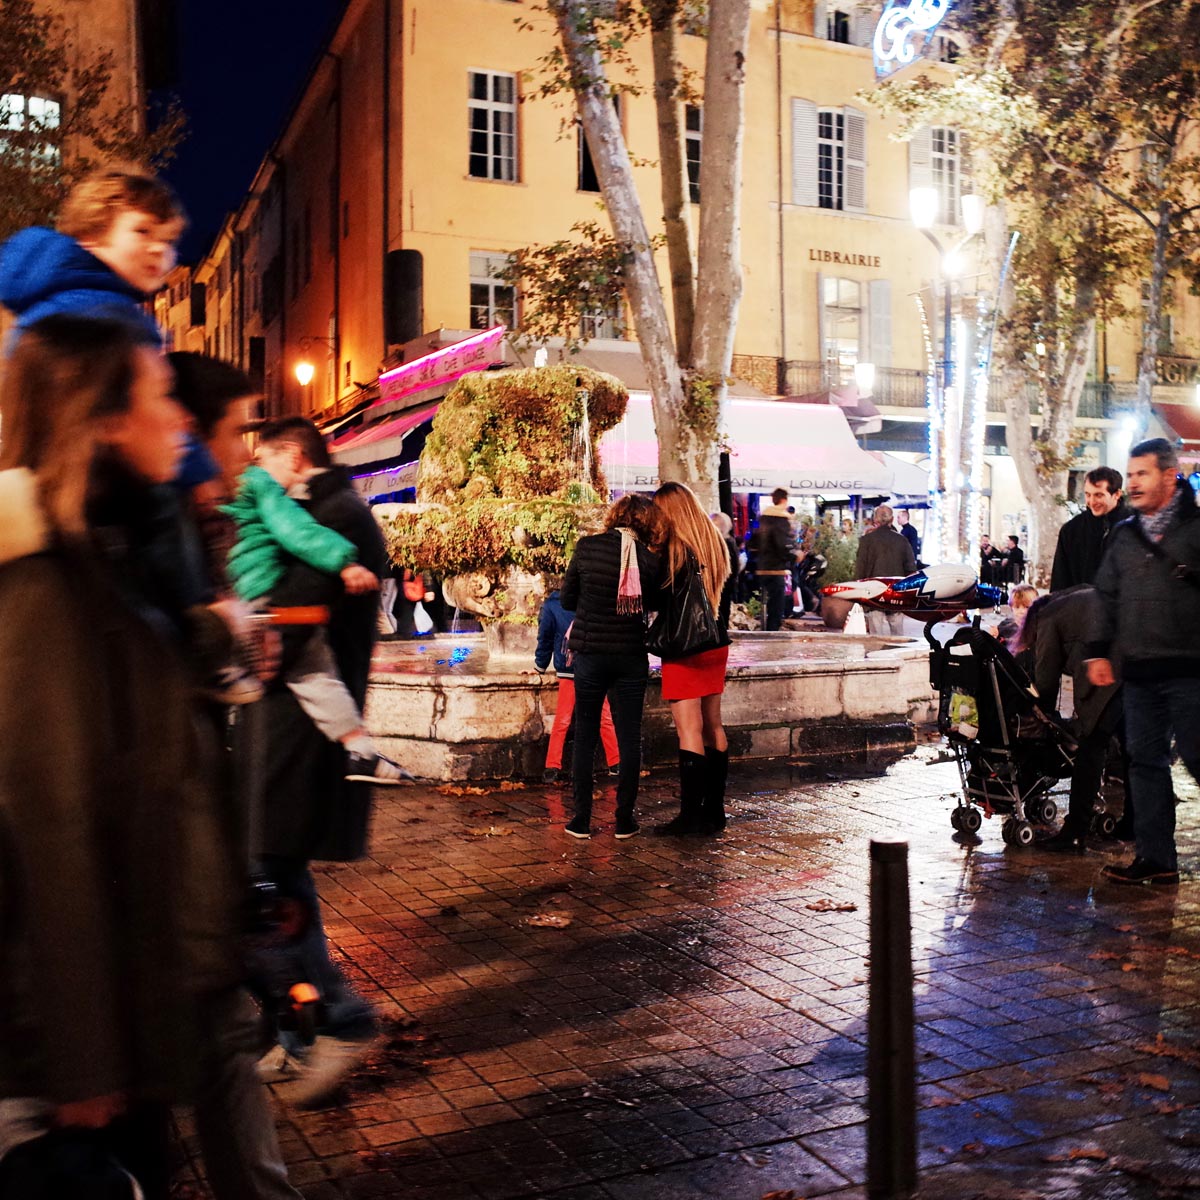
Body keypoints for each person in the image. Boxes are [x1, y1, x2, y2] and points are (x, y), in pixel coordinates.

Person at [0, 316, 298, 1200]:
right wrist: (85, 1059)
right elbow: (52, 826)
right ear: (101, 419)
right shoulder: (43, 584)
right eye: (158, 396)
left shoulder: (112, 552)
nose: (179, 419)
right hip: (92, 1030)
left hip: (155, 975)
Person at [245, 417, 391, 1104]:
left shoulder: (337, 515)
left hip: (302, 732)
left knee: (267, 868)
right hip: (285, 728)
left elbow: (291, 614)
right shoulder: (317, 509)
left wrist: (234, 621)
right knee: (270, 869)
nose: (253, 468)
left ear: (292, 456)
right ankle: (296, 1027)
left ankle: (333, 1016)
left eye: (263, 456)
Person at [223, 449, 409, 785]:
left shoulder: (213, 490)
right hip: (263, 593)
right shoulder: (259, 484)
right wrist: (345, 563)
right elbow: (295, 530)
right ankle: (359, 749)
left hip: (234, 600)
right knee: (314, 671)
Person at [1088, 438, 1200, 887]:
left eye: (1142, 474)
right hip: (1139, 671)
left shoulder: (1195, 528)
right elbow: (1105, 594)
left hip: (1191, 668)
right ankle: (1157, 860)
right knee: (1144, 763)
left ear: (1169, 476)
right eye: (1129, 474)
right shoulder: (1125, 535)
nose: (1132, 482)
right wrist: (1097, 648)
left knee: (1198, 758)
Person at [559, 494, 664, 840]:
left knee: (586, 734)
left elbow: (567, 599)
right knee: (629, 737)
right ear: (646, 522)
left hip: (590, 655)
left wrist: (593, 606)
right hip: (630, 656)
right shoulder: (650, 561)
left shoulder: (587, 547)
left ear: (615, 515)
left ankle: (581, 819)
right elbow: (658, 603)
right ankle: (624, 820)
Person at [652, 484, 737, 837]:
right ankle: (714, 811)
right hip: (715, 643)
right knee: (713, 725)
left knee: (689, 730)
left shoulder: (675, 549)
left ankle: (690, 816)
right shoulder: (716, 544)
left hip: (685, 647)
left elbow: (660, 597)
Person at [1022, 589, 1126, 853]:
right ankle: (1134, 823)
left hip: (1108, 670)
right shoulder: (1074, 598)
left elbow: (1046, 677)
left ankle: (1075, 831)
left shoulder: (1047, 617)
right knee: (1134, 749)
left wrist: (1038, 713)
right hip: (1137, 660)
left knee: (1091, 747)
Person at [534, 582, 620, 783]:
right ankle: (615, 763)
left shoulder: (553, 605)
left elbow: (545, 639)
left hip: (575, 669)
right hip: (586, 668)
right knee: (601, 717)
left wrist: (540, 666)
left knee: (566, 720)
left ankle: (552, 767)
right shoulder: (590, 599)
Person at [1051, 466, 1130, 592]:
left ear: (1117, 494)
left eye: (1099, 495)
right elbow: (1060, 581)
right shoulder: (1071, 530)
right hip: (1082, 609)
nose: (1092, 501)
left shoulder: (1134, 527)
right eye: (1088, 495)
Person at [853, 504, 916, 635]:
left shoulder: (867, 541)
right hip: (897, 591)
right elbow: (911, 569)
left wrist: (858, 592)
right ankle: (898, 654)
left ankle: (876, 654)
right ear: (892, 520)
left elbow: (861, 568)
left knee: (876, 634)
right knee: (898, 633)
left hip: (874, 591)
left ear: (875, 520)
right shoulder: (902, 540)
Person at [751, 487, 796, 631]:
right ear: (784, 500)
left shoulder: (762, 518)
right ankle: (772, 630)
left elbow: (752, 543)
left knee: (766, 599)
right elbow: (782, 544)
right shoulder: (781, 519)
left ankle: (765, 627)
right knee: (777, 602)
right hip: (776, 568)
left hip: (761, 567)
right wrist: (793, 556)